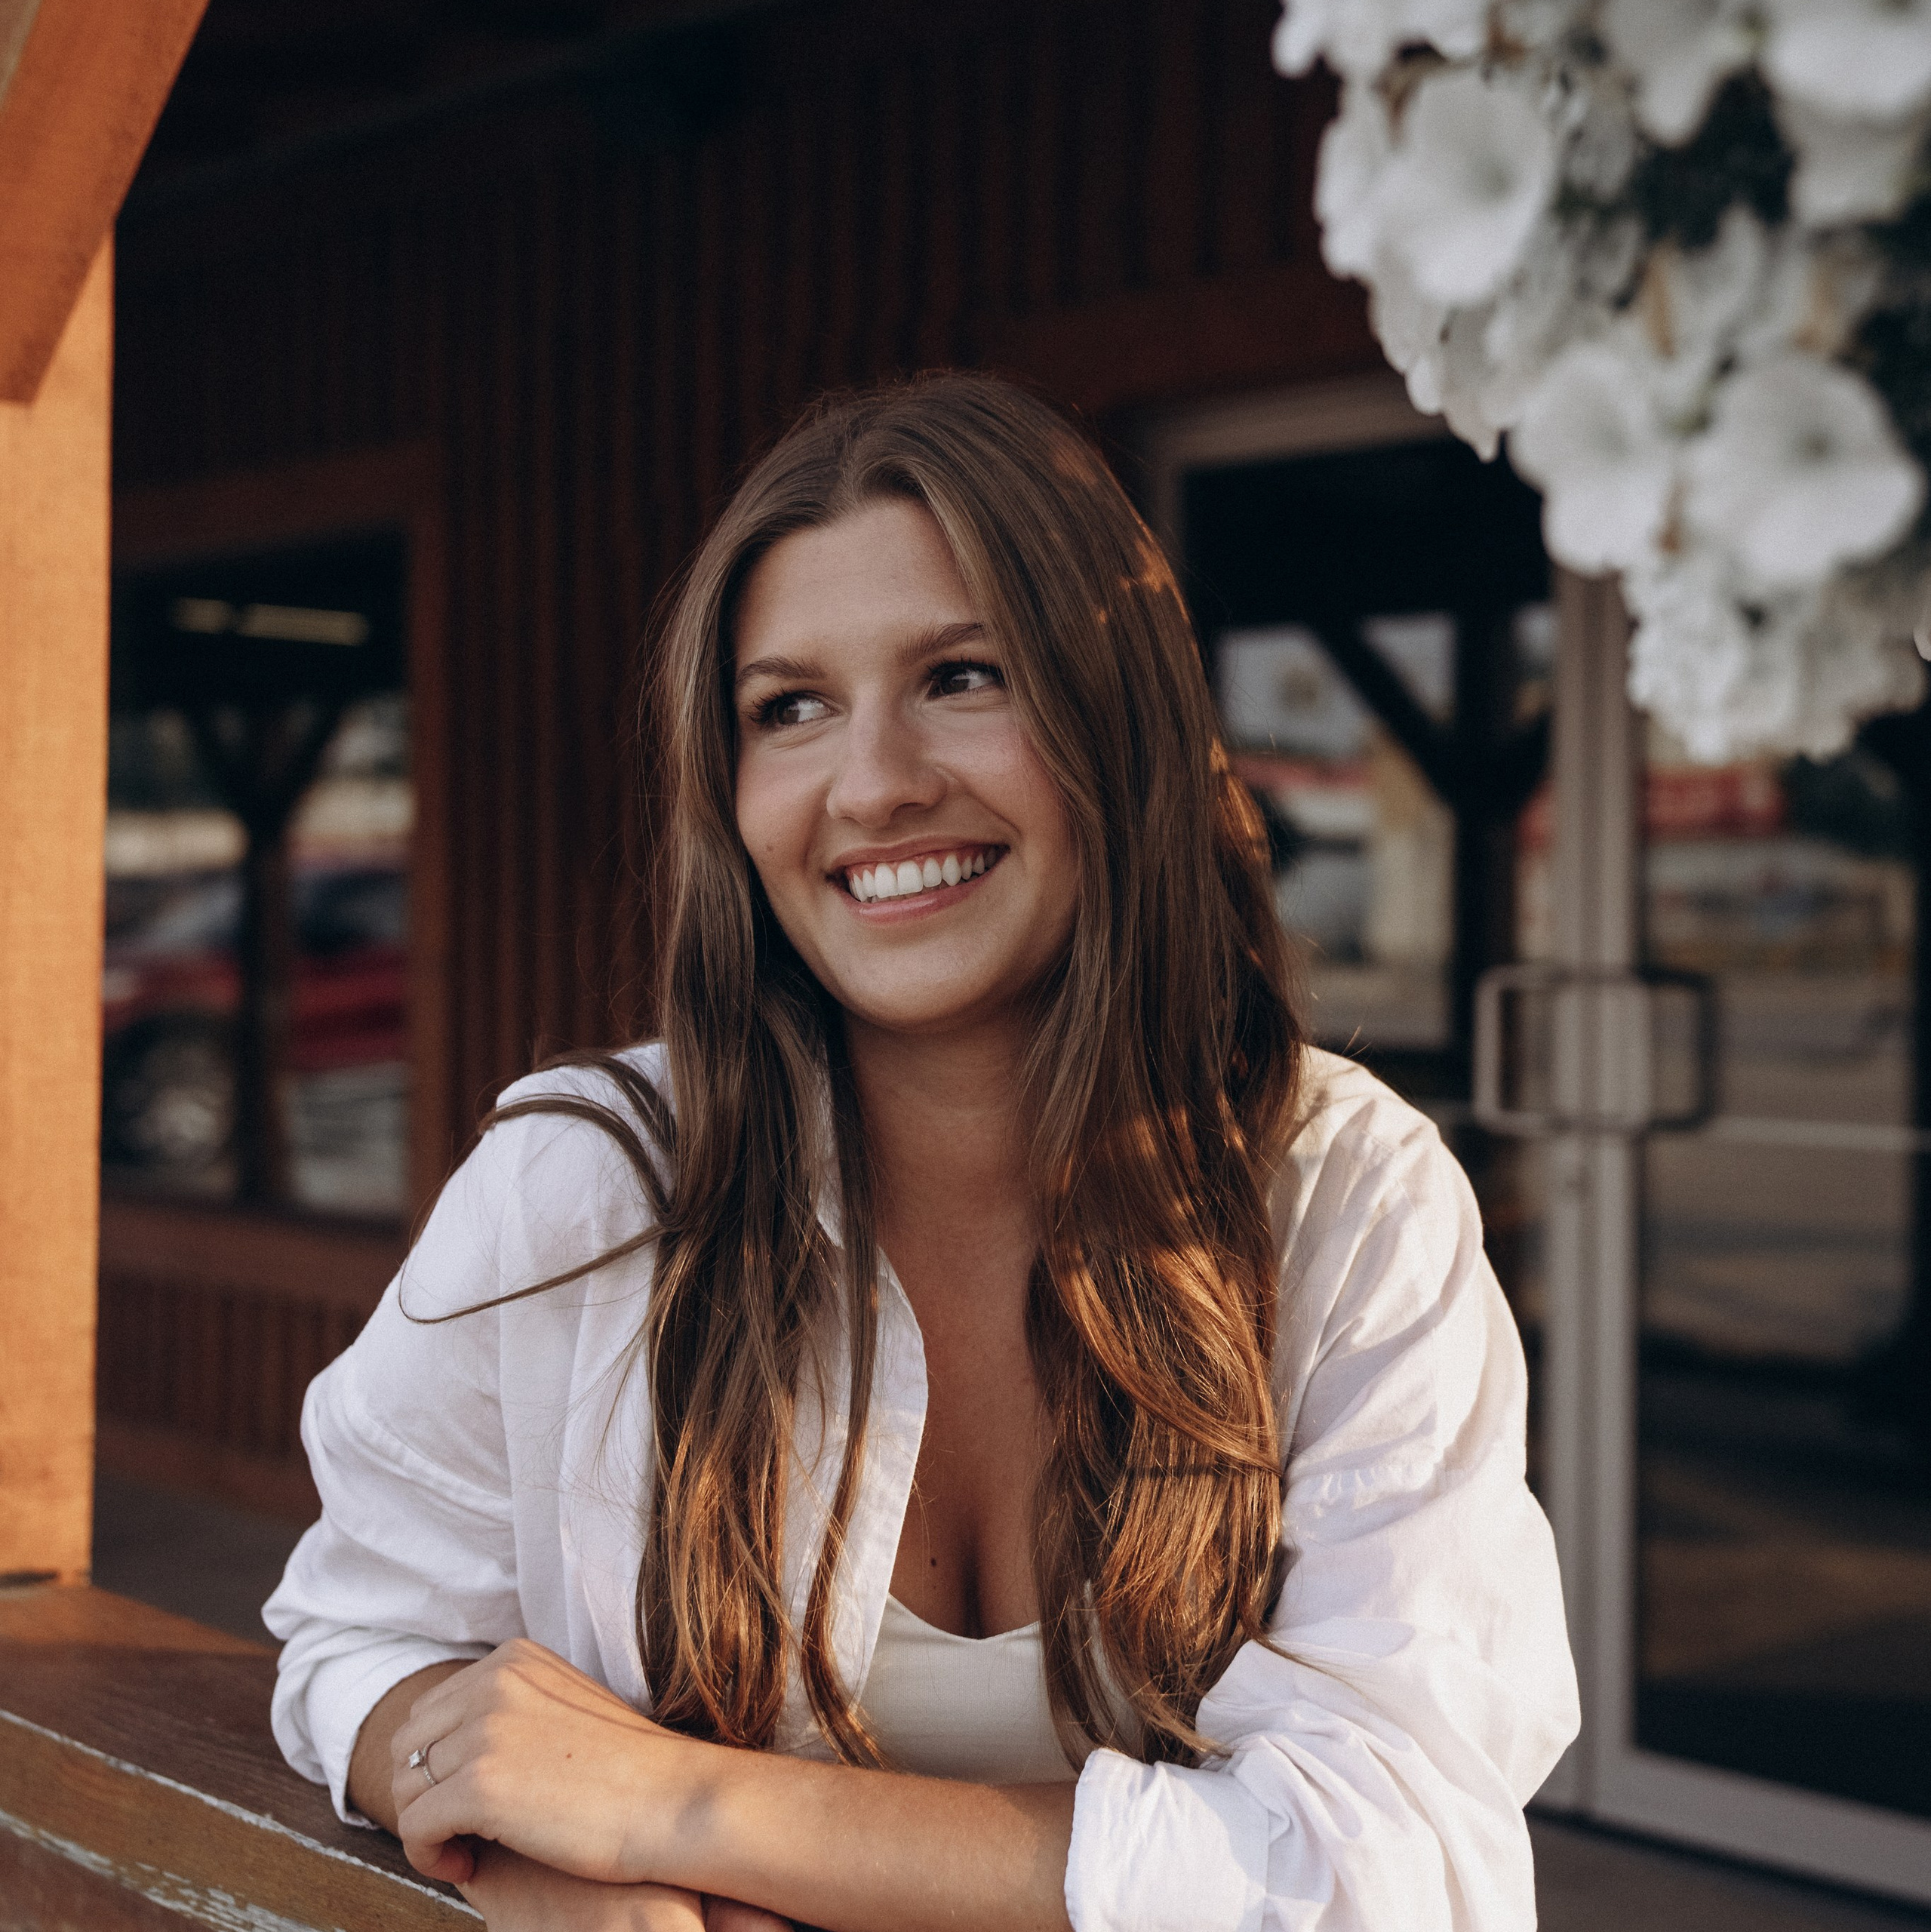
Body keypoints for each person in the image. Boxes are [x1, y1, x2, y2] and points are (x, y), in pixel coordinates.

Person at [265, 373, 1579, 1932]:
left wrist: (683, 1808)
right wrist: (513, 1841)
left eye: (963, 675)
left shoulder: (1342, 1197)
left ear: (1119, 724)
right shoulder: (585, 1189)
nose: (872, 780)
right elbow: (355, 1636)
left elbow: (1399, 1860)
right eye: (789, 707)